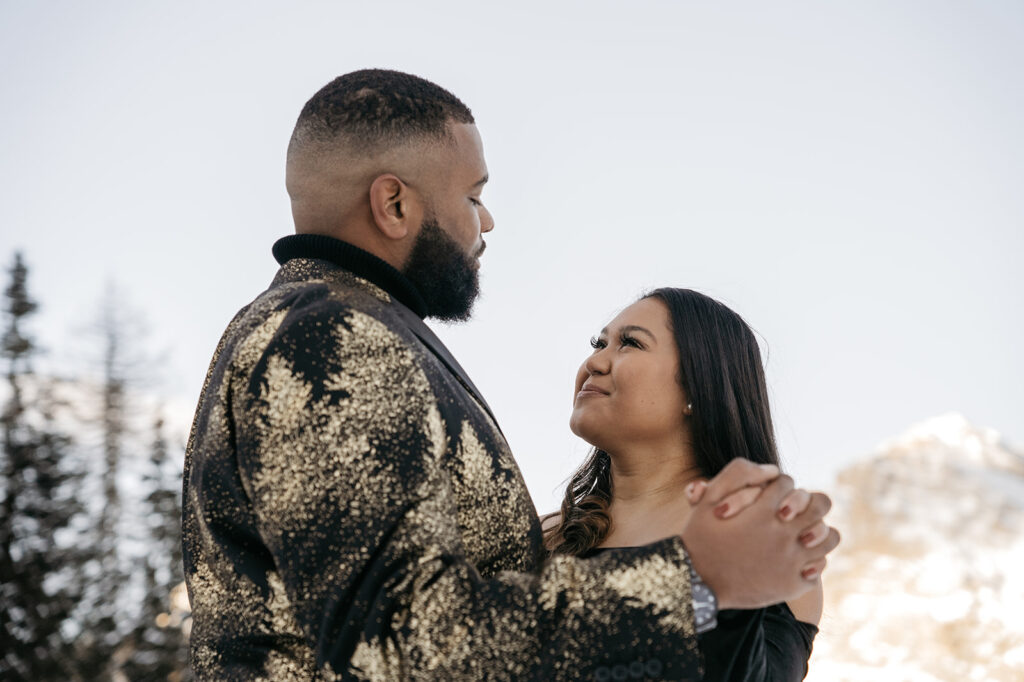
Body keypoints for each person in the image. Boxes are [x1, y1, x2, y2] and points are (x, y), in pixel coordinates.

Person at [181, 69, 840, 680]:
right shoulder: (334, 334)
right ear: (395, 204)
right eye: (473, 196)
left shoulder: (343, 328)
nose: (487, 221)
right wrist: (696, 581)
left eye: (630, 343)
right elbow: (395, 638)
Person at [544, 288, 828, 680]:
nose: (594, 361)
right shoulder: (538, 535)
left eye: (630, 343)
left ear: (698, 385)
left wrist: (721, 594)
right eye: (598, 343)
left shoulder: (765, 546)